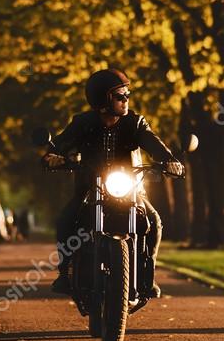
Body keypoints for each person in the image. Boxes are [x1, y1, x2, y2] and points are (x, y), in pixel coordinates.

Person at [41, 69, 183, 298]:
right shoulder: (82, 123)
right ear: (102, 100)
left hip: (131, 190)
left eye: (127, 94)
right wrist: (52, 157)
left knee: (154, 222)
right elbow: (59, 144)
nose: (126, 99)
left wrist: (170, 161)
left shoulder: (135, 123)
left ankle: (148, 277)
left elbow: (153, 143)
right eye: (120, 96)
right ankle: (65, 273)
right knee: (65, 220)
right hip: (89, 189)